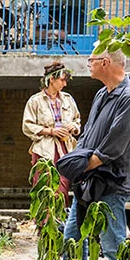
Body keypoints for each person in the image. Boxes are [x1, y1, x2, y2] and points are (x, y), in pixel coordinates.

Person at [61, 50, 130, 260]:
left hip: (113, 181)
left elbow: (114, 146)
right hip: (89, 180)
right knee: (72, 238)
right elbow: (88, 134)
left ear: (106, 62)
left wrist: (80, 167)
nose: (88, 64)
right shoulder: (102, 94)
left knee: (112, 245)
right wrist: (77, 162)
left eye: (91, 60)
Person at [22, 61, 81, 207]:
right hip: (44, 149)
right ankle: (44, 225)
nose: (64, 84)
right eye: (62, 80)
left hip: (65, 148)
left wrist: (72, 127)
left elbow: (77, 120)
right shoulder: (35, 101)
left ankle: (60, 223)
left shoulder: (67, 99)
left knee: (62, 188)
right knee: (44, 186)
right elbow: (27, 125)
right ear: (51, 79)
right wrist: (50, 131)